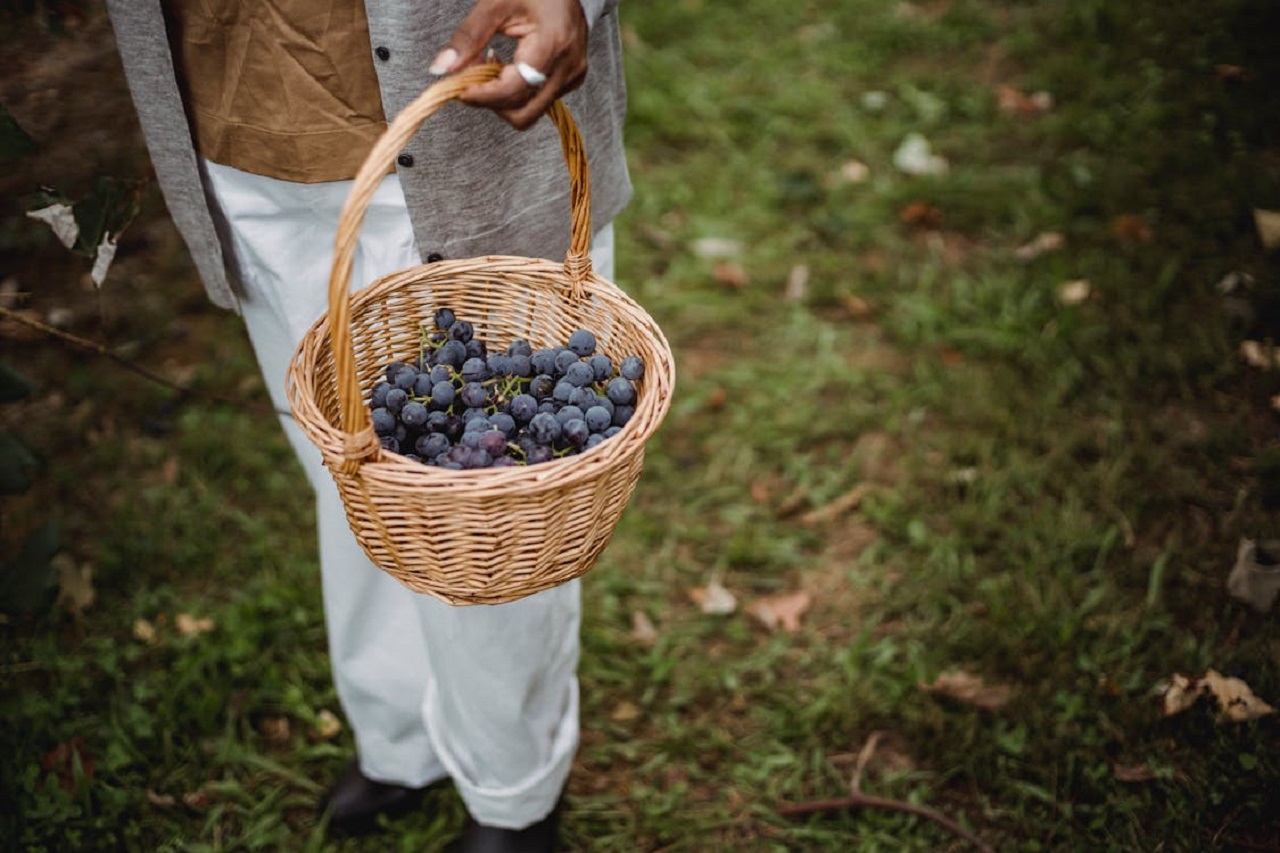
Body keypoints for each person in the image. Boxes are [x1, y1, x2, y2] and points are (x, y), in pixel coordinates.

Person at [102, 2, 632, 851]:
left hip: (468, 125)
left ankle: (512, 790)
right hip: (240, 133)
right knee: (354, 480)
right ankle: (401, 738)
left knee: (489, 516)